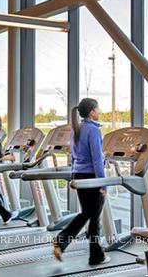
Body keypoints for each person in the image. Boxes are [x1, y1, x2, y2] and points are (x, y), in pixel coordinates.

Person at [52, 98, 110, 266]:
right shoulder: (93, 130)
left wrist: (73, 178)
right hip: (92, 177)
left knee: (87, 213)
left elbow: (75, 156)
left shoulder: (76, 129)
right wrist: (103, 183)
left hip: (79, 175)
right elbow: (96, 160)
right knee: (94, 217)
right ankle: (96, 256)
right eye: (98, 109)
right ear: (92, 111)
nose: (99, 112)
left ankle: (62, 242)